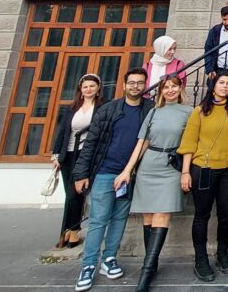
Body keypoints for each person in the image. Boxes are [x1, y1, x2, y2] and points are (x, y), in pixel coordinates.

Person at [72, 68, 153, 292]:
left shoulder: (150, 110)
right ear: (124, 85)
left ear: (145, 85)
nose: (135, 86)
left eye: (140, 83)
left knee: (119, 218)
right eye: (132, 83)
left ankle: (109, 259)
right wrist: (81, 173)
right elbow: (90, 144)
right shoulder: (108, 110)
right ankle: (88, 265)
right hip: (105, 172)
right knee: (98, 220)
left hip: (130, 174)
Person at [116, 77, 191, 292]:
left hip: (170, 167)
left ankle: (146, 271)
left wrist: (185, 171)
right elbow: (142, 143)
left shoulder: (189, 112)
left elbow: (189, 145)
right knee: (148, 217)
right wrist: (127, 171)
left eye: (173, 86)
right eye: (166, 87)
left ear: (180, 88)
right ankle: (153, 262)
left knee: (161, 215)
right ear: (160, 91)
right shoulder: (153, 111)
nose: (170, 90)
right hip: (149, 165)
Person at [179, 73, 228, 281]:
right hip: (204, 167)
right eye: (221, 83)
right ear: (213, 86)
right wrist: (185, 172)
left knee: (226, 213)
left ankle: (222, 252)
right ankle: (200, 258)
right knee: (202, 214)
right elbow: (189, 142)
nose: (225, 86)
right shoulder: (199, 111)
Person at [51, 73, 102, 249]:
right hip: (69, 154)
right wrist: (56, 155)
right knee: (70, 195)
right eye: (85, 86)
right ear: (80, 89)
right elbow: (62, 132)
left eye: (92, 86)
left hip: (86, 154)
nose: (88, 89)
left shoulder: (102, 107)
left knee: (76, 193)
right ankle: (68, 230)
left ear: (98, 89)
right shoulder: (71, 108)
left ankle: (71, 230)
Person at [204, 7, 228, 84]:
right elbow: (208, 50)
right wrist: (210, 70)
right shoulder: (215, 30)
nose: (227, 23)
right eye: (224, 20)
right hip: (218, 70)